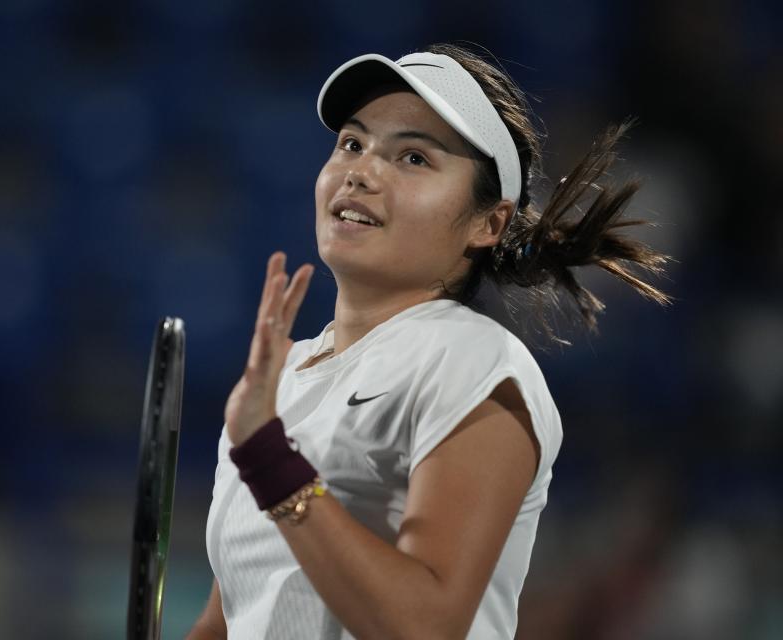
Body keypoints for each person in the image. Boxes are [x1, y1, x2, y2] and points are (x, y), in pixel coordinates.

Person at [186, 42, 671, 640]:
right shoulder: (278, 377)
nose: (361, 171)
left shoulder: (475, 361)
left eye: (414, 157)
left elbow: (425, 626)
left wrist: (268, 458)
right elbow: (230, 618)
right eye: (352, 144)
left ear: (487, 222)